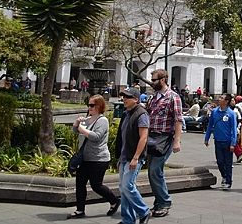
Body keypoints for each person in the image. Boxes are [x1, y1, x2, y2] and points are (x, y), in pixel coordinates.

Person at [67, 95, 119, 219]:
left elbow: (96, 137)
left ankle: (114, 201)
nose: (89, 108)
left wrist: (82, 129)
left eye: (92, 105)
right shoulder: (87, 119)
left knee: (96, 185)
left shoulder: (102, 120)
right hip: (84, 158)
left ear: (99, 106)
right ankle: (80, 210)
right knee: (80, 183)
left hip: (98, 159)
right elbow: (75, 131)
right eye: (89, 105)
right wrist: (77, 123)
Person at [145, 69, 182, 218]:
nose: (152, 82)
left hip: (165, 138)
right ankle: (159, 203)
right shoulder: (152, 98)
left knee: (155, 170)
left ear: (162, 80)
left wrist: (177, 141)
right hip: (152, 137)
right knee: (152, 171)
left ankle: (165, 202)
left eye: (154, 80)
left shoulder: (173, 97)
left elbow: (178, 119)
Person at [114, 87, 151, 224]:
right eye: (123, 96)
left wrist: (136, 157)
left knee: (127, 186)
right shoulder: (126, 113)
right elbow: (123, 138)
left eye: (128, 97)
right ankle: (128, 219)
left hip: (134, 157)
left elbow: (143, 138)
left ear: (136, 99)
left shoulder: (141, 114)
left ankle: (144, 211)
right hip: (124, 157)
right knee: (123, 189)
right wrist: (120, 157)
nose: (124, 99)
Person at [204, 93, 238, 190]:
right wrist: (206, 138)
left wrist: (233, 143)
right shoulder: (215, 112)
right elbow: (210, 126)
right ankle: (224, 175)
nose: (219, 99)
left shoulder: (231, 113)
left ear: (226, 101)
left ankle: (228, 181)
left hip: (227, 142)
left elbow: (233, 129)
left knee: (228, 163)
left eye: (222, 98)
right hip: (218, 141)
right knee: (220, 162)